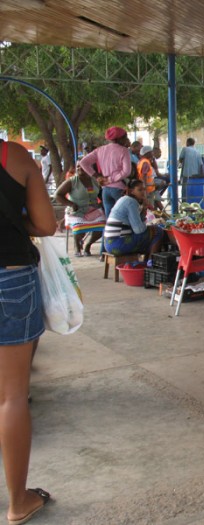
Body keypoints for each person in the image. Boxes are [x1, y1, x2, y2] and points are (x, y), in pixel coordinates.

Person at [0, 138, 56, 525]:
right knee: (13, 396)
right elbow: (47, 224)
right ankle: (18, 502)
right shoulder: (13, 156)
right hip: (10, 279)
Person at [79, 126, 132, 259]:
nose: (126, 139)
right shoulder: (123, 151)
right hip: (118, 189)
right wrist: (111, 179)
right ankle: (124, 250)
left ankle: (104, 252)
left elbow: (83, 162)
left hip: (105, 190)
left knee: (109, 222)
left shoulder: (100, 150)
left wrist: (97, 176)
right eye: (125, 137)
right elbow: (126, 171)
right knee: (124, 221)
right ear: (120, 138)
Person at [104, 178, 164, 260]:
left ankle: (145, 263)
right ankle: (151, 263)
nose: (143, 192)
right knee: (158, 231)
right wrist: (149, 225)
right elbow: (139, 230)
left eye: (144, 189)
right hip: (117, 243)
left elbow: (138, 223)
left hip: (110, 243)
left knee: (150, 234)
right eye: (140, 190)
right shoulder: (130, 202)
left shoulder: (125, 199)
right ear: (132, 191)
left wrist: (144, 208)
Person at [54, 165, 106, 257]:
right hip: (76, 211)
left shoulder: (94, 180)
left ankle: (88, 245)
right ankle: (77, 247)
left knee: (102, 227)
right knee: (79, 228)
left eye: (82, 166)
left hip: (93, 210)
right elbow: (57, 195)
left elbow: (101, 194)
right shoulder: (72, 181)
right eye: (78, 167)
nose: (79, 169)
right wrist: (71, 204)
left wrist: (101, 203)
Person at [136, 146, 163, 211]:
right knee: (150, 207)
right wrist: (144, 189)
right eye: (151, 152)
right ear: (147, 153)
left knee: (157, 202)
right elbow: (143, 176)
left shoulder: (142, 161)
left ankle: (163, 215)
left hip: (150, 188)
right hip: (148, 189)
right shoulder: (145, 163)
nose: (153, 154)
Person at [178, 137, 203, 202]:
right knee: (193, 192)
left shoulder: (185, 149)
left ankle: (184, 206)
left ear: (188, 143)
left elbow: (180, 159)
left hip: (186, 174)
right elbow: (201, 165)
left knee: (185, 192)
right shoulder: (198, 152)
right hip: (195, 176)